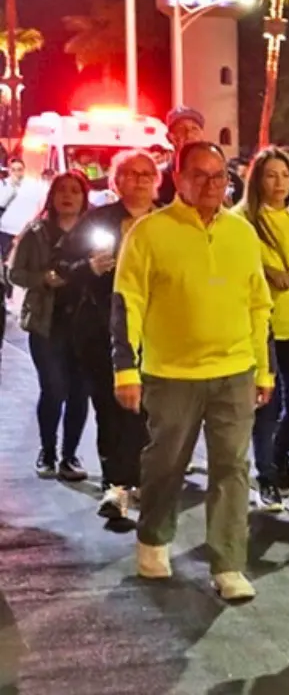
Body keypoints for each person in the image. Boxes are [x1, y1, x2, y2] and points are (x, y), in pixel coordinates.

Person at [113, 141, 274, 600]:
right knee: (166, 462)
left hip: (235, 369)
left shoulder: (242, 233)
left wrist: (264, 371)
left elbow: (258, 304)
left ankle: (228, 565)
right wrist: (126, 370)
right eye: (199, 175)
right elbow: (127, 304)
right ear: (177, 179)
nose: (211, 185)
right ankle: (153, 539)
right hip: (170, 374)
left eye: (219, 176)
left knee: (232, 467)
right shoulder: (148, 233)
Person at [60, 151, 158, 521]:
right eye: (130, 174)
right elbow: (63, 268)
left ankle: (145, 482)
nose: (140, 180)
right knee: (112, 409)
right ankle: (116, 485)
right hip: (102, 331)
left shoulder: (168, 220)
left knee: (149, 412)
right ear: (116, 181)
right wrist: (89, 267)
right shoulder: (97, 220)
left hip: (157, 332)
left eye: (147, 173)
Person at [235, 147, 289, 511]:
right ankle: (266, 476)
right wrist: (276, 274)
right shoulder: (241, 219)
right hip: (263, 324)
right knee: (266, 406)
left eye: (285, 175)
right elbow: (250, 266)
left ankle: (280, 453)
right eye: (271, 175)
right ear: (257, 179)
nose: (279, 183)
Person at [9, 171, 94, 481]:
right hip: (47, 325)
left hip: (84, 326)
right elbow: (14, 274)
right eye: (61, 190)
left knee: (80, 392)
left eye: (75, 190)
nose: (68, 196)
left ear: (85, 197)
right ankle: (48, 451)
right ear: (52, 196)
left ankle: (70, 455)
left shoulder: (94, 233)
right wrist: (42, 279)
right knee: (54, 388)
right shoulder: (36, 233)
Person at [155, 107, 205, 206]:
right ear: (170, 137)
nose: (189, 134)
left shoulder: (223, 176)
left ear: (202, 134)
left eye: (194, 129)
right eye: (181, 129)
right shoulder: (158, 179)